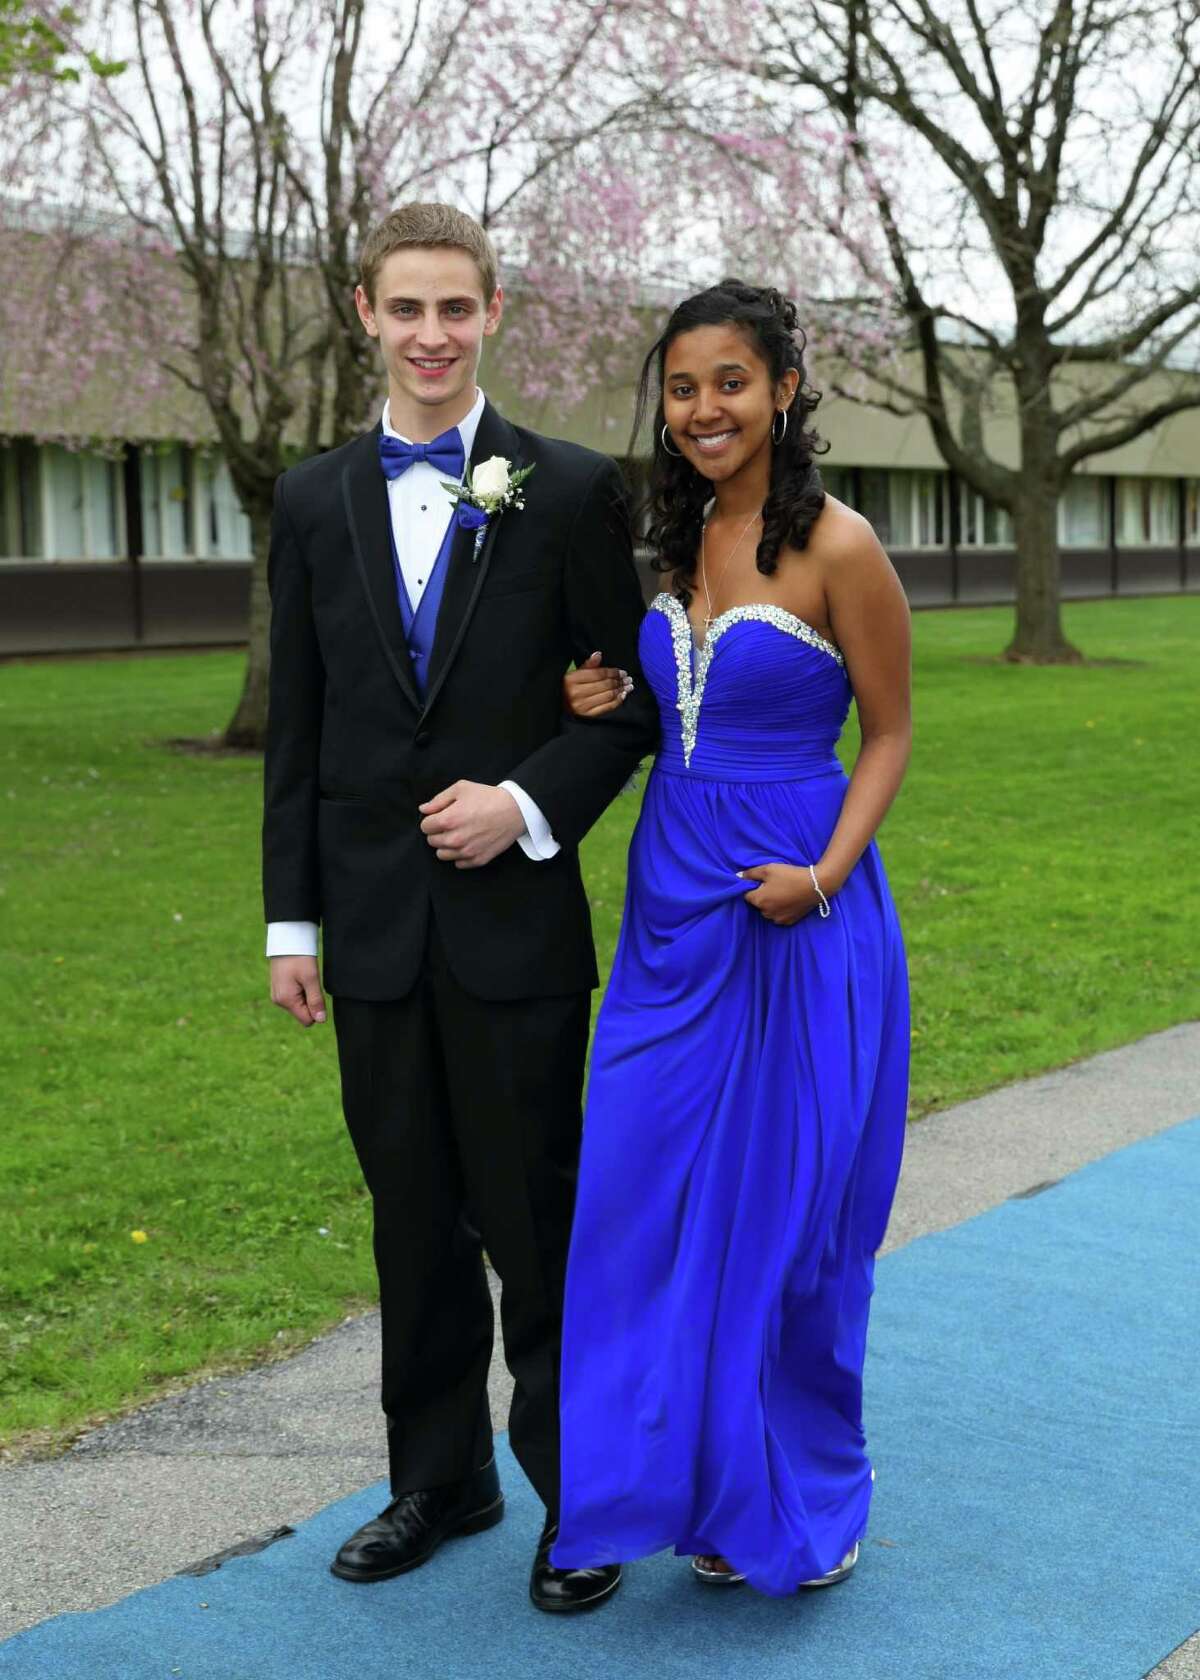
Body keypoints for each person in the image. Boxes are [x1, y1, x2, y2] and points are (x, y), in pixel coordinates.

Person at [262, 202, 657, 1613]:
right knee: (410, 1215)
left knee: (535, 1220)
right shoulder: (310, 501)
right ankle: (439, 1478)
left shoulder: (568, 490)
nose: (433, 336)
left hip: (515, 942)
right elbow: (299, 734)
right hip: (368, 935)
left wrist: (525, 805)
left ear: (496, 313)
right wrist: (290, 926)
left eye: (458, 310)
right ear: (363, 314)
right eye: (407, 310)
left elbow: (626, 714)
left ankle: (581, 1496)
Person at [551, 279, 912, 1596]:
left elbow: (890, 734)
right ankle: (687, 1478)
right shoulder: (675, 537)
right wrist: (607, 685)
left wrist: (821, 876)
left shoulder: (841, 549)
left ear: (784, 391)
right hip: (672, 912)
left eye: (731, 383)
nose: (706, 408)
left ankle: (791, 1495)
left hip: (799, 911)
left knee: (787, 1215)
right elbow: (671, 702)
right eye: (685, 386)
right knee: (651, 1200)